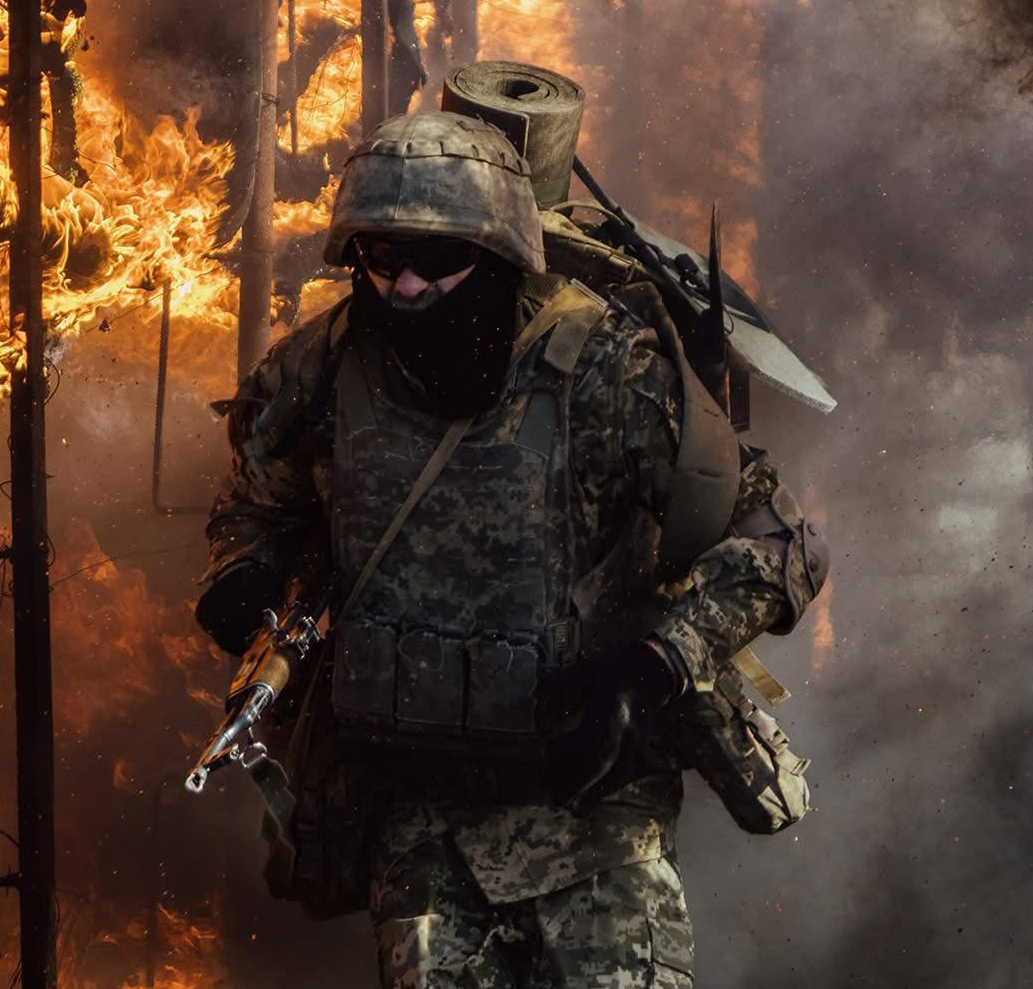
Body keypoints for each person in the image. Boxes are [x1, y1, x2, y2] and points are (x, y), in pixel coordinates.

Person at [198, 110, 827, 987]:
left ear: (498, 256)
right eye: (380, 258)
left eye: (433, 260)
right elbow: (255, 503)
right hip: (416, 818)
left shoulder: (608, 371)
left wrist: (651, 668)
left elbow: (778, 542)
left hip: (592, 812)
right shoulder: (321, 369)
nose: (403, 287)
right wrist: (243, 577)